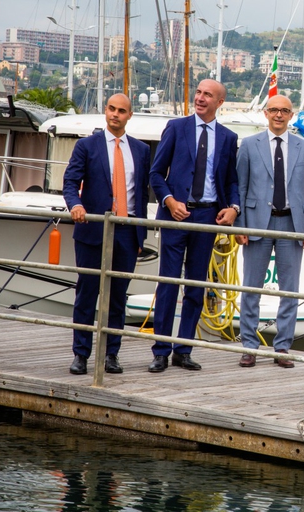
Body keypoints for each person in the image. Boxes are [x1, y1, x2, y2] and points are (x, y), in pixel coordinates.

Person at [148, 79, 240, 373]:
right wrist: (169, 201)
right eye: (198, 92)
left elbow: (231, 181)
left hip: (207, 218)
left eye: (207, 95)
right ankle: (161, 350)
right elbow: (156, 174)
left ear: (219, 102)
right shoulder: (176, 128)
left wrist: (234, 208)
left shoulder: (228, 138)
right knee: (168, 284)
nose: (200, 98)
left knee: (196, 286)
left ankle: (183, 350)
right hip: (176, 215)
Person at [62, 93, 150, 375]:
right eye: (111, 108)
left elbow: (142, 194)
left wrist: (140, 235)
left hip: (127, 232)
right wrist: (75, 205)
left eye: (121, 111)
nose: (115, 114)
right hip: (93, 230)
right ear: (105, 110)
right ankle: (81, 355)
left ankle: (111, 355)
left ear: (129, 115)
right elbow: (70, 181)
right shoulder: (87, 146)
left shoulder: (141, 150)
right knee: (86, 295)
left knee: (117, 298)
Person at [234, 94, 304, 369]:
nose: (279, 115)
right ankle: (249, 346)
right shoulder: (249, 145)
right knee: (251, 288)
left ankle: (282, 347)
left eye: (284, 110)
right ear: (265, 113)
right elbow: (240, 187)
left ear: (291, 115)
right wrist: (240, 226)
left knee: (290, 291)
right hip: (257, 223)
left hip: (291, 224)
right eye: (274, 110)